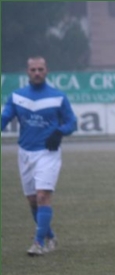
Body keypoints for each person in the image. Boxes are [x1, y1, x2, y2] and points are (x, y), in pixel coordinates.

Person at [1, 56, 77, 257]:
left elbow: (72, 123)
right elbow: (4, 117)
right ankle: (50, 236)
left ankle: (38, 243)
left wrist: (59, 132)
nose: (37, 73)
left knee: (43, 196)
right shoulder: (17, 96)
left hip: (48, 152)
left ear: (46, 71)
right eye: (33, 69)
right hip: (25, 152)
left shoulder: (58, 97)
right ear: (27, 72)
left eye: (40, 69)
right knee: (33, 200)